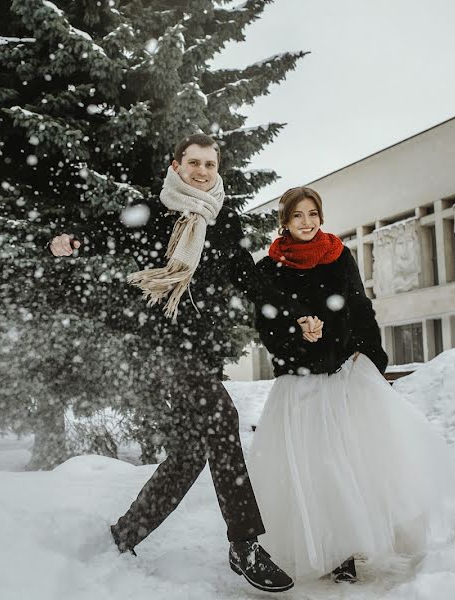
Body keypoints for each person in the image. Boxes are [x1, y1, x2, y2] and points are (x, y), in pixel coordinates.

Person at [50, 134, 317, 593]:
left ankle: (124, 534)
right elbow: (103, 234)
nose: (201, 171)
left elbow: (251, 282)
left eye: (210, 164)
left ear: (218, 170)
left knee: (193, 451)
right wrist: (68, 242)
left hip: (197, 353)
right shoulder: (152, 215)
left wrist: (297, 312)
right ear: (176, 166)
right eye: (193, 162)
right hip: (156, 347)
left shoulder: (222, 223)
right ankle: (244, 544)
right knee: (222, 416)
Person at [248, 186, 455, 583]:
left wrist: (369, 354)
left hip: (343, 374)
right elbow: (266, 323)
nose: (307, 222)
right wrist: (298, 336)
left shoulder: (338, 255)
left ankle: (353, 543)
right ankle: (333, 551)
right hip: (300, 384)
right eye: (297, 215)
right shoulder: (268, 269)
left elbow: (359, 305)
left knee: (353, 461)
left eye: (313, 213)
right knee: (314, 468)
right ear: (285, 221)